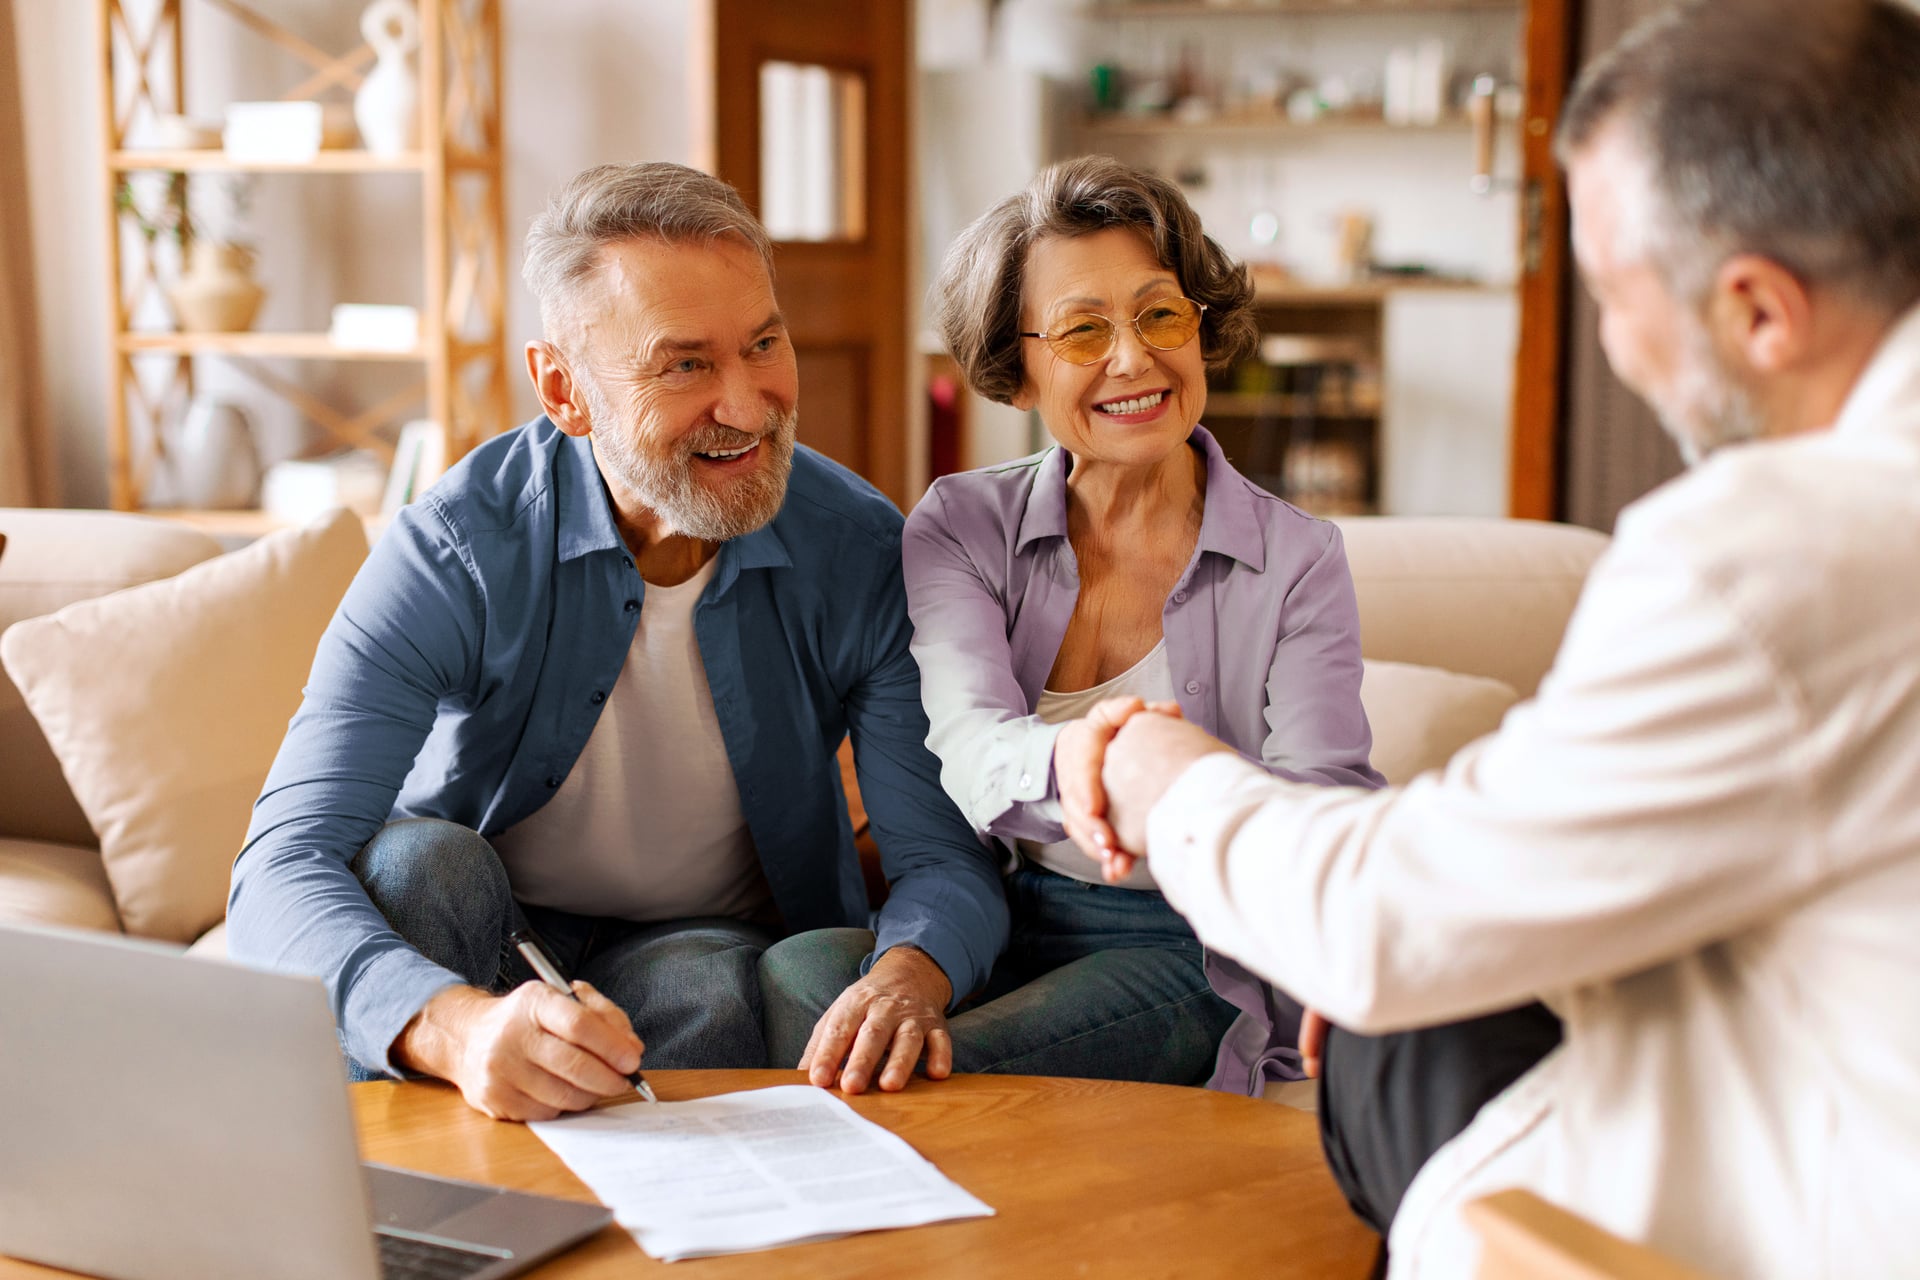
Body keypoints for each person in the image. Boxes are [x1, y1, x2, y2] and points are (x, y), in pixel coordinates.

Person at [1077, 0, 1920, 1274]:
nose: (1612, 340)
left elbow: (1373, 926)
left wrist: (1157, 769)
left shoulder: (1776, 551)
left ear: (1759, 311)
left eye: (1609, 291)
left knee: (1392, 1026)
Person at [227, 162, 1006, 1121]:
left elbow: (939, 854)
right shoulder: (455, 550)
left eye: (763, 343)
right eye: (686, 365)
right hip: (485, 931)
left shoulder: (858, 549)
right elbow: (281, 861)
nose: (749, 403)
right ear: (564, 390)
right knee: (412, 869)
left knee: (718, 995)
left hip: (704, 940)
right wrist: (455, 1027)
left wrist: (911, 976)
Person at [760, 155, 1383, 1092]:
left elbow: (1321, 794)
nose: (1133, 358)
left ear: (1200, 328)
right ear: (1019, 375)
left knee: (933, 1070)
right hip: (1004, 919)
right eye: (1084, 331)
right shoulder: (961, 528)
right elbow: (970, 754)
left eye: (1160, 314)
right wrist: (1100, 764)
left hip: (1192, 945)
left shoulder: (1298, 559)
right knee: (800, 974)